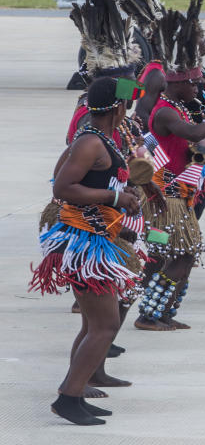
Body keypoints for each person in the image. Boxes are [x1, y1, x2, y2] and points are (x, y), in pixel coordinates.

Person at [30, 77, 143, 425]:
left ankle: (75, 391)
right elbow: (63, 186)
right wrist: (115, 198)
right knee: (106, 325)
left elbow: (68, 179)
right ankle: (67, 397)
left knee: (94, 323)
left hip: (94, 238)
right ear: (118, 107)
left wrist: (116, 219)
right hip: (82, 246)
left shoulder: (97, 139)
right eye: (128, 104)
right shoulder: (91, 142)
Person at [136, 1, 205, 330]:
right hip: (165, 197)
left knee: (181, 256)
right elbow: (196, 132)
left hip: (178, 194)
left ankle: (163, 312)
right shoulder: (167, 111)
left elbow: (196, 138)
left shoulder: (179, 105)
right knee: (176, 255)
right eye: (194, 83)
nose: (199, 88)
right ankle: (149, 314)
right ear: (177, 82)